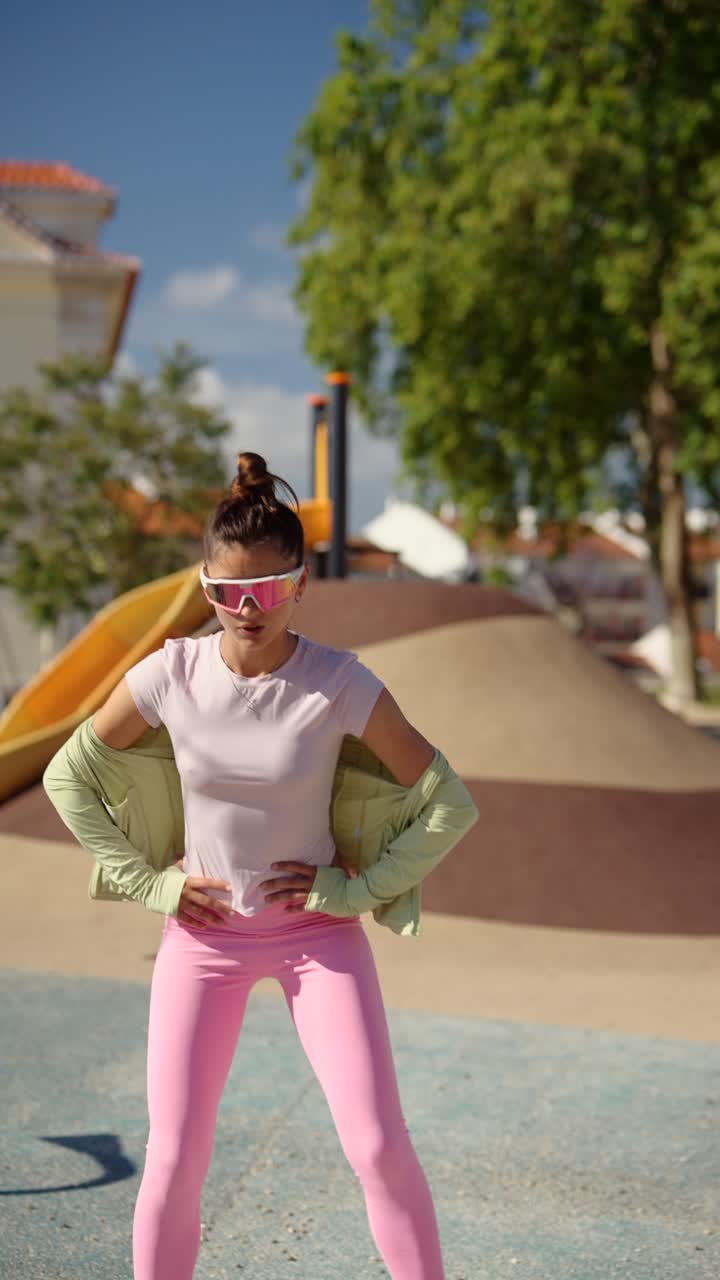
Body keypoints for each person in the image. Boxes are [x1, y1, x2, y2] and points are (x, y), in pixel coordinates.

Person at [87, 451, 471, 1280]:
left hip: (317, 937)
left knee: (375, 1144)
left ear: (299, 585)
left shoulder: (337, 680)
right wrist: (149, 881)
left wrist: (360, 892)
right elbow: (68, 774)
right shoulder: (172, 673)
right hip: (203, 943)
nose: (246, 608)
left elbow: (449, 800)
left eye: (265, 590)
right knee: (175, 1159)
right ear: (205, 586)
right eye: (227, 592)